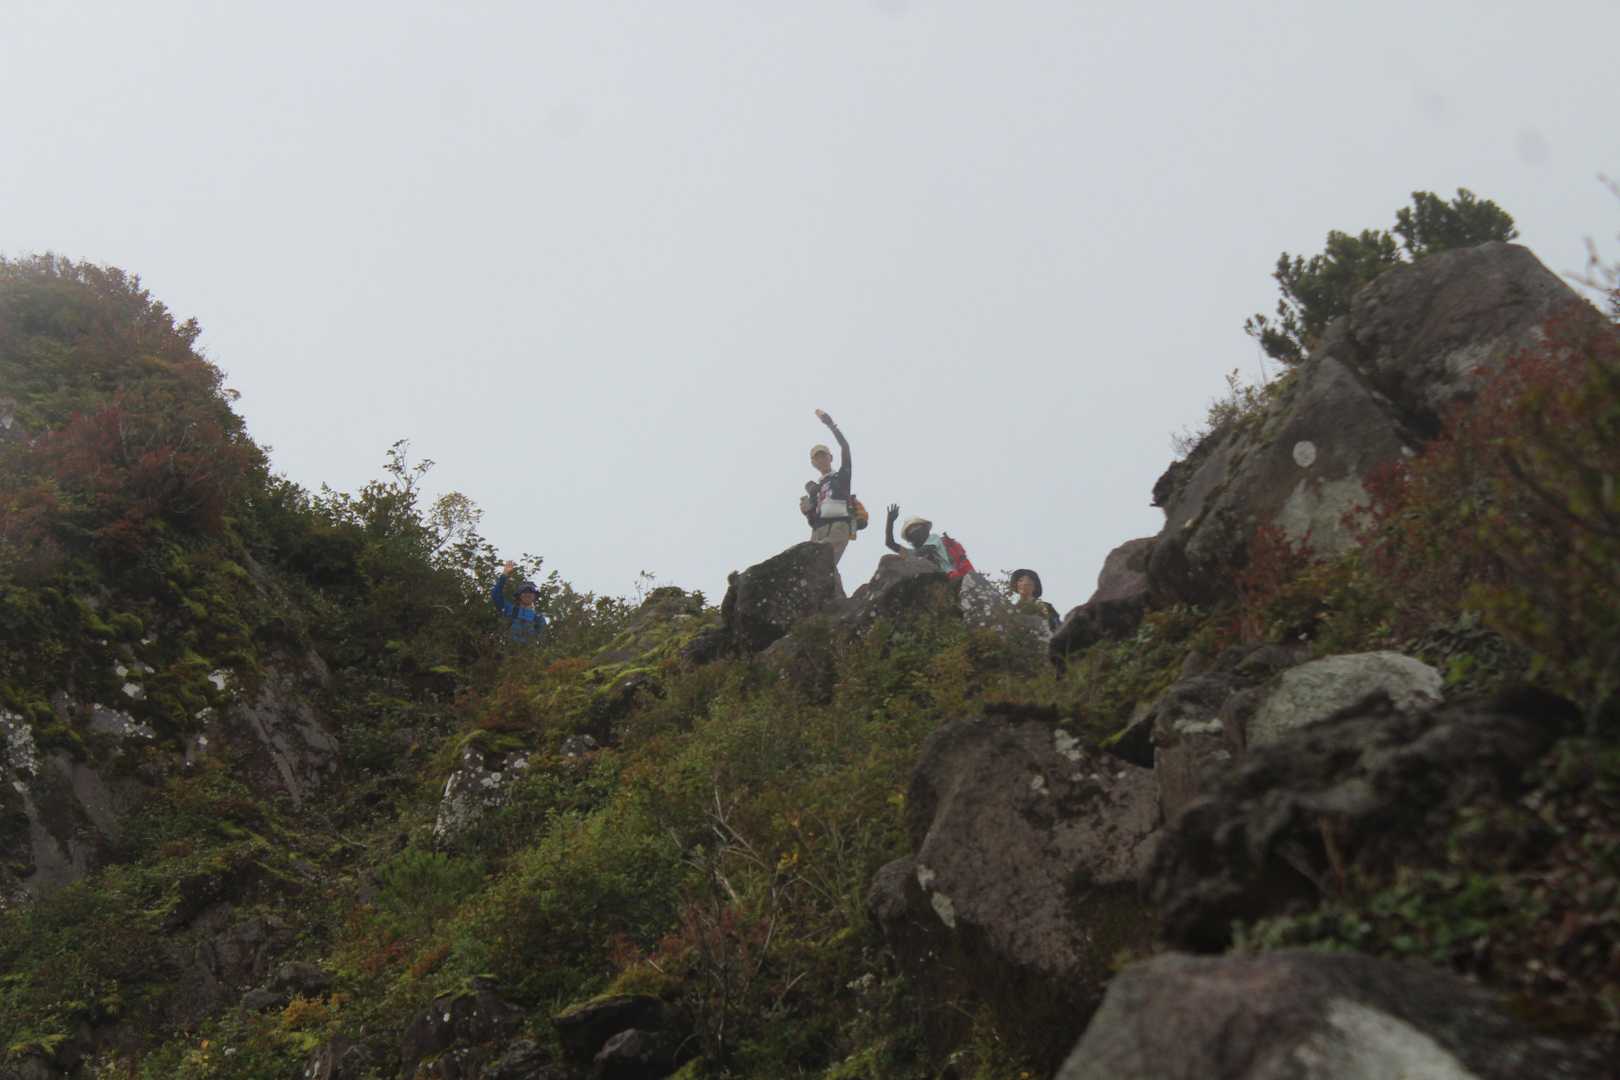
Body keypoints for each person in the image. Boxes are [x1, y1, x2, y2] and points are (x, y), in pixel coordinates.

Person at [800, 408, 854, 563]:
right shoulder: (816, 489)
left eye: (823, 456)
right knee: (810, 565)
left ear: (830, 457)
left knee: (823, 561)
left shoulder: (842, 476)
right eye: (817, 458)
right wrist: (807, 510)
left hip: (839, 525)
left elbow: (845, 447)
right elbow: (812, 518)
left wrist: (831, 425)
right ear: (813, 463)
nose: (821, 459)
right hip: (819, 529)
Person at [884, 504, 974, 580]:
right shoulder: (913, 553)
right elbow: (890, 543)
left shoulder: (934, 538)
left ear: (924, 528)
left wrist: (908, 557)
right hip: (937, 582)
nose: (914, 531)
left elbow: (924, 550)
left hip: (951, 575)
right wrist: (890, 522)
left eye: (916, 527)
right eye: (911, 531)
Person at [491, 560, 548, 643]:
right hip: (508, 648)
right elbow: (496, 595)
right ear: (519, 595)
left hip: (528, 650)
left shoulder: (538, 618)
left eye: (530, 592)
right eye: (524, 592)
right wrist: (504, 574)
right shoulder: (510, 609)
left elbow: (543, 640)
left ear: (535, 596)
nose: (527, 594)